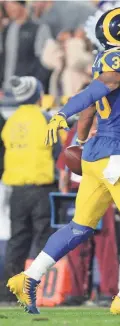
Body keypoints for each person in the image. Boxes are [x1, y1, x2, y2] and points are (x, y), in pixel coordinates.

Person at [7, 8, 120, 316]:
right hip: (117, 154)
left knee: (80, 226)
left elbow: (90, 106)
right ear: (119, 33)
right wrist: (64, 114)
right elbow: (95, 91)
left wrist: (79, 141)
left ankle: (29, 277)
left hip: (95, 156)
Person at [0, 75, 59, 303]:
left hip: (16, 190)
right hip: (41, 187)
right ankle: (40, 291)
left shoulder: (11, 121)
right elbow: (58, 150)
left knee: (17, 240)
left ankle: (7, 293)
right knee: (44, 240)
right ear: (38, 94)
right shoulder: (44, 118)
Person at [0, 1, 51, 91]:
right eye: (6, 6)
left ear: (22, 5)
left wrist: (35, 87)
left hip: (27, 89)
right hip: (6, 90)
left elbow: (44, 62)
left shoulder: (39, 28)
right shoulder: (6, 30)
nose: (8, 9)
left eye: (11, 5)